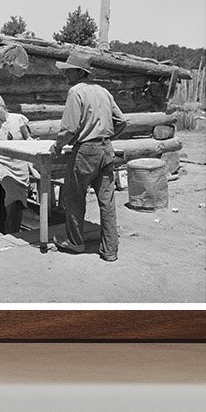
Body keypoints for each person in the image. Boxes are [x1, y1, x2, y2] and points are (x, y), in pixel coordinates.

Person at [50, 48, 126, 261]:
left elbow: (69, 128)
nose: (66, 75)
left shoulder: (76, 92)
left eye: (68, 71)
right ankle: (110, 251)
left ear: (78, 72)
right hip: (106, 150)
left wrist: (57, 146)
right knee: (107, 201)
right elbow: (122, 121)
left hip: (86, 152)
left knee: (74, 199)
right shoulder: (103, 91)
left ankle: (75, 243)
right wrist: (108, 137)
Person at [0, 94, 32, 235]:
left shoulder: (18, 119)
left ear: (3, 107)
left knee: (20, 201)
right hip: (4, 165)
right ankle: (9, 229)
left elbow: (28, 138)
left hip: (20, 165)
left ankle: (15, 229)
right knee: (11, 194)